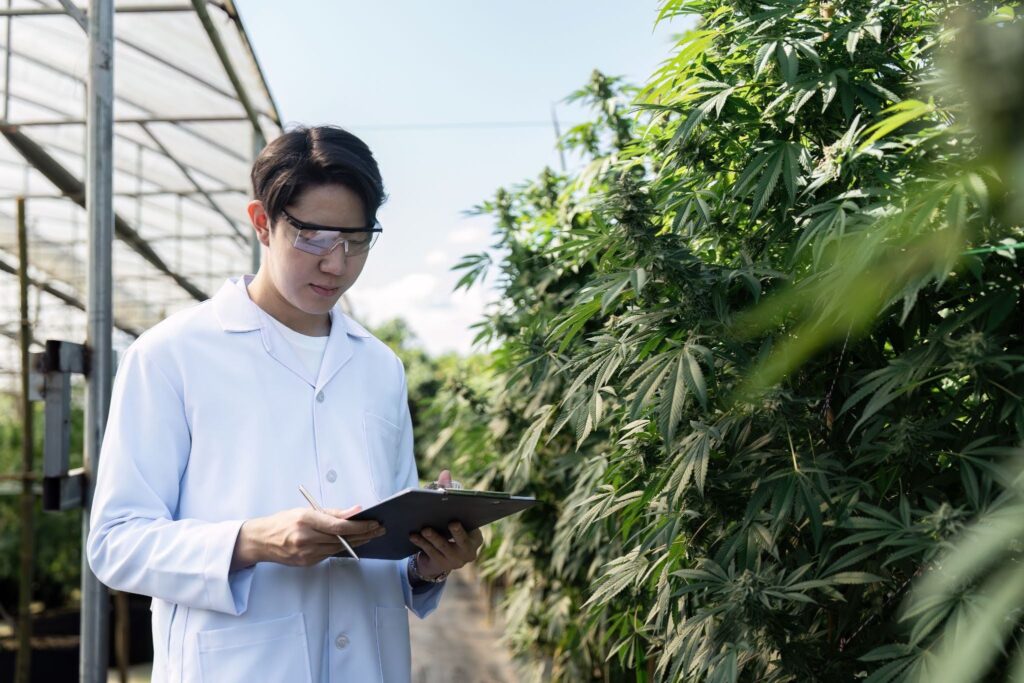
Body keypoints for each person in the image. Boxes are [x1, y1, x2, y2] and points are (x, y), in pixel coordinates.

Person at [86, 125, 482, 683]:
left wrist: (425, 565)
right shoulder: (172, 354)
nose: (336, 264)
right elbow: (116, 542)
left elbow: (387, 553)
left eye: (356, 240)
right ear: (262, 223)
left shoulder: (379, 367)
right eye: (315, 238)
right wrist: (250, 542)